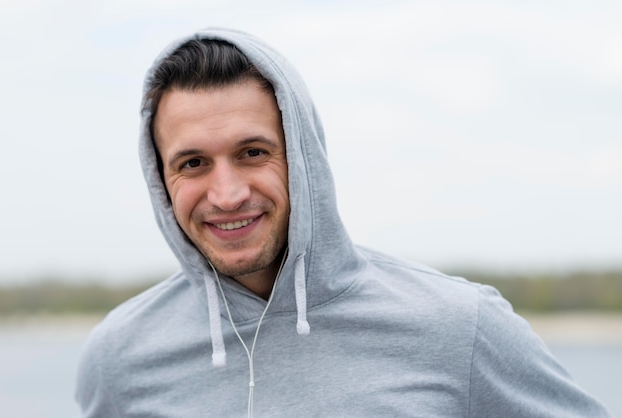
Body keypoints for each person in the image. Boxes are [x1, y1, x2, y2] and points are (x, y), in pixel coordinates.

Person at [75, 28, 611, 417]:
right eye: (193, 163)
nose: (228, 193)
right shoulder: (120, 357)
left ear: (303, 159)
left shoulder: (462, 329)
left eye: (253, 152)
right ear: (161, 180)